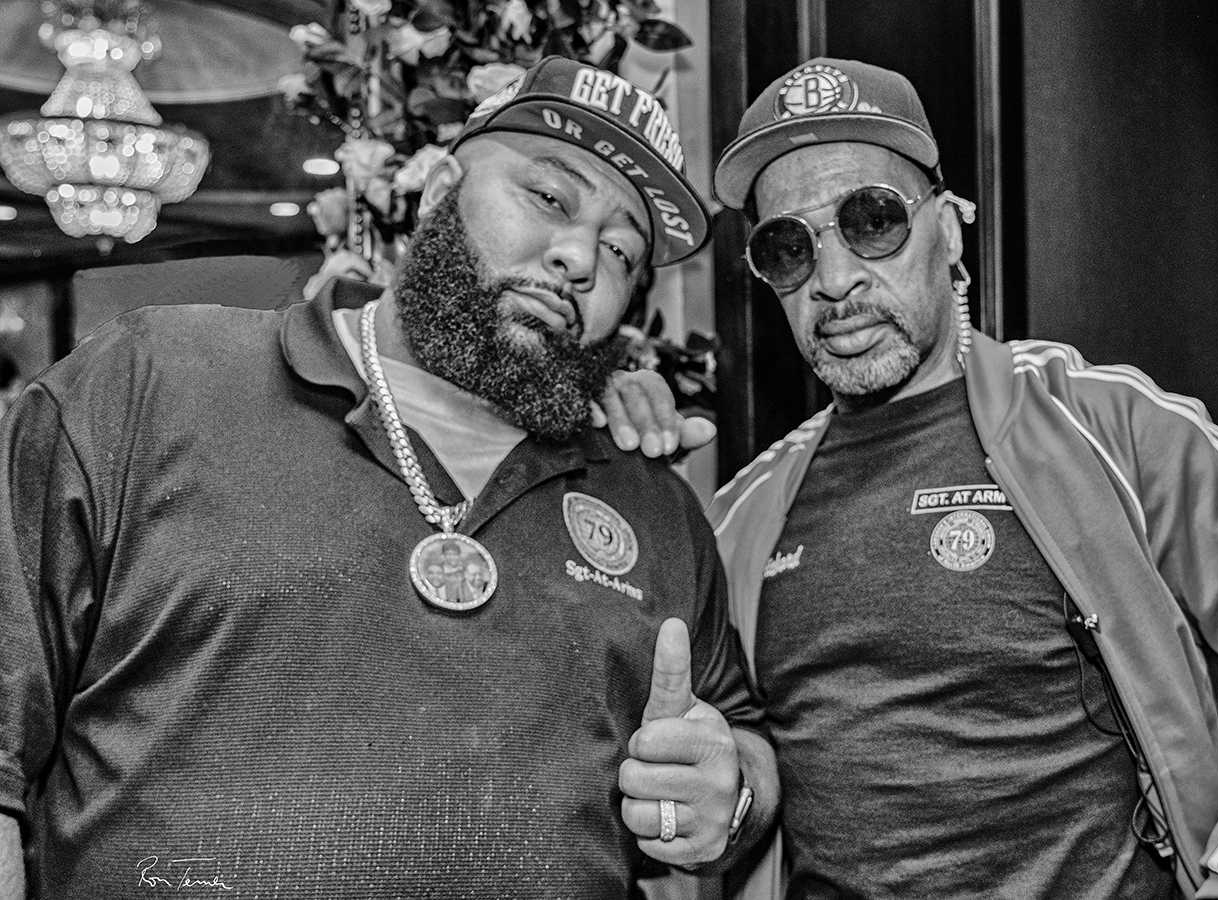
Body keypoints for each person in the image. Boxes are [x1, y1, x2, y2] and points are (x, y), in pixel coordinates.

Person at [0, 56, 776, 898]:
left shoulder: (653, 503)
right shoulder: (152, 381)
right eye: (549, 198)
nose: (579, 258)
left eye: (623, 251)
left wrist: (728, 799)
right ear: (440, 189)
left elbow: (737, 740)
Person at [690, 59, 1218, 900]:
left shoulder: (1096, 424)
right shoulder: (742, 517)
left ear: (949, 230)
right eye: (788, 247)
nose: (834, 279)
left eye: (872, 220)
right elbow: (720, 767)